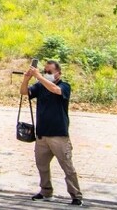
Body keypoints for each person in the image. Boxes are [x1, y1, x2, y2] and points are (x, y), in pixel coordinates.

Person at [21, 60, 83, 206]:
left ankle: (76, 195)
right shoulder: (40, 86)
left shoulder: (64, 85)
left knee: (67, 167)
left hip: (58, 135)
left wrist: (39, 77)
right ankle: (46, 191)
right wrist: (26, 79)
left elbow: (56, 90)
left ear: (58, 73)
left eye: (49, 72)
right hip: (42, 134)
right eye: (45, 71)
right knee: (41, 165)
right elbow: (24, 92)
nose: (46, 74)